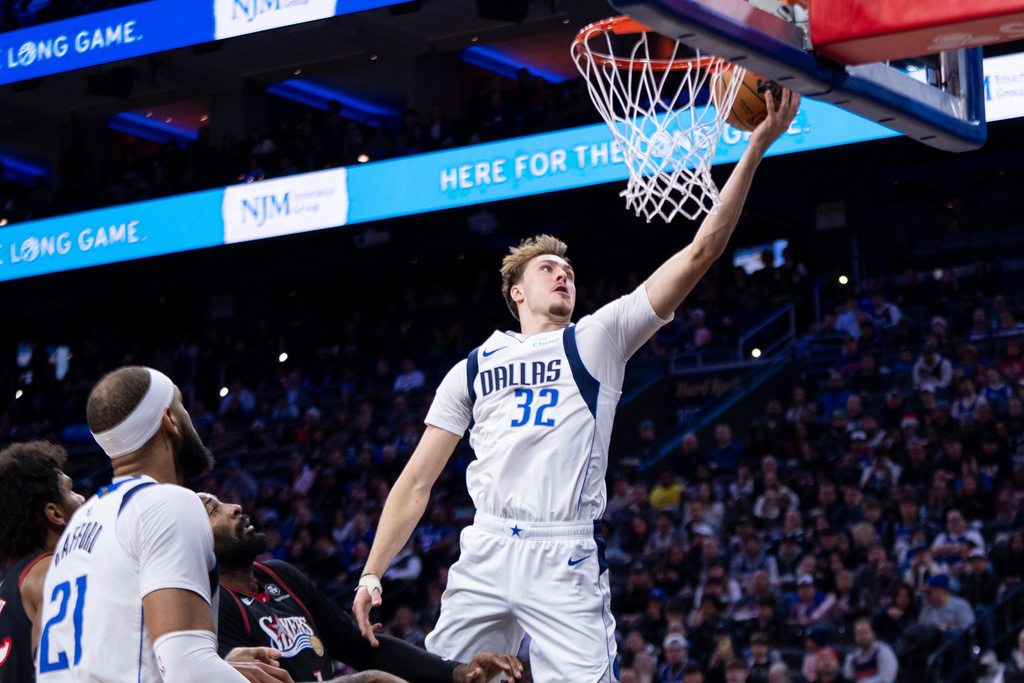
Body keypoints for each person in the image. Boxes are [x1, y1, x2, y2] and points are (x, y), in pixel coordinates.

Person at [353, 91, 802, 682]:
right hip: (486, 546)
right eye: (548, 269)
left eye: (568, 270)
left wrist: (755, 149)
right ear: (517, 292)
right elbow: (416, 481)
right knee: (440, 678)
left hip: (562, 552)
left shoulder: (597, 338)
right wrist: (371, 573)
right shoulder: (471, 367)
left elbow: (701, 253)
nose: (563, 274)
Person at [36, 366, 287, 683]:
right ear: (169, 420)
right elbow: (188, 669)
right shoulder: (168, 502)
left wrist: (222, 665)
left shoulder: (84, 520)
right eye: (182, 405)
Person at [200, 493, 522, 683]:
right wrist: (365, 681)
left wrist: (459, 672)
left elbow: (360, 647)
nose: (234, 507)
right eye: (214, 510)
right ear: (195, 539)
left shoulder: (281, 576)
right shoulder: (213, 606)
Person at [0, 442, 85, 683]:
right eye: (71, 490)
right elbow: (58, 663)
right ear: (55, 514)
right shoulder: (51, 571)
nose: (81, 498)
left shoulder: (15, 578)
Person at [841, 618, 897, 683]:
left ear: (874, 634)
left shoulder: (883, 651)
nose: (862, 637)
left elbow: (886, 679)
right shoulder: (851, 657)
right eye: (859, 633)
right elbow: (847, 679)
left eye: (865, 632)